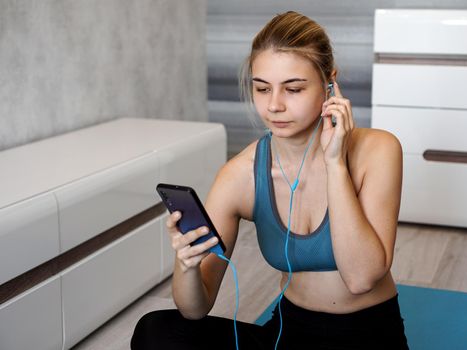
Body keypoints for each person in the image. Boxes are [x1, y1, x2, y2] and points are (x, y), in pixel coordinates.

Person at [131, 11, 408, 349]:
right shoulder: (240, 174)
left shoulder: (378, 150)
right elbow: (195, 308)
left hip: (369, 337)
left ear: (329, 84)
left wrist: (335, 163)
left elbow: (361, 278)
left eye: (293, 89)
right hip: (289, 334)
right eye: (262, 88)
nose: (274, 105)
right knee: (156, 331)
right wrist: (186, 264)